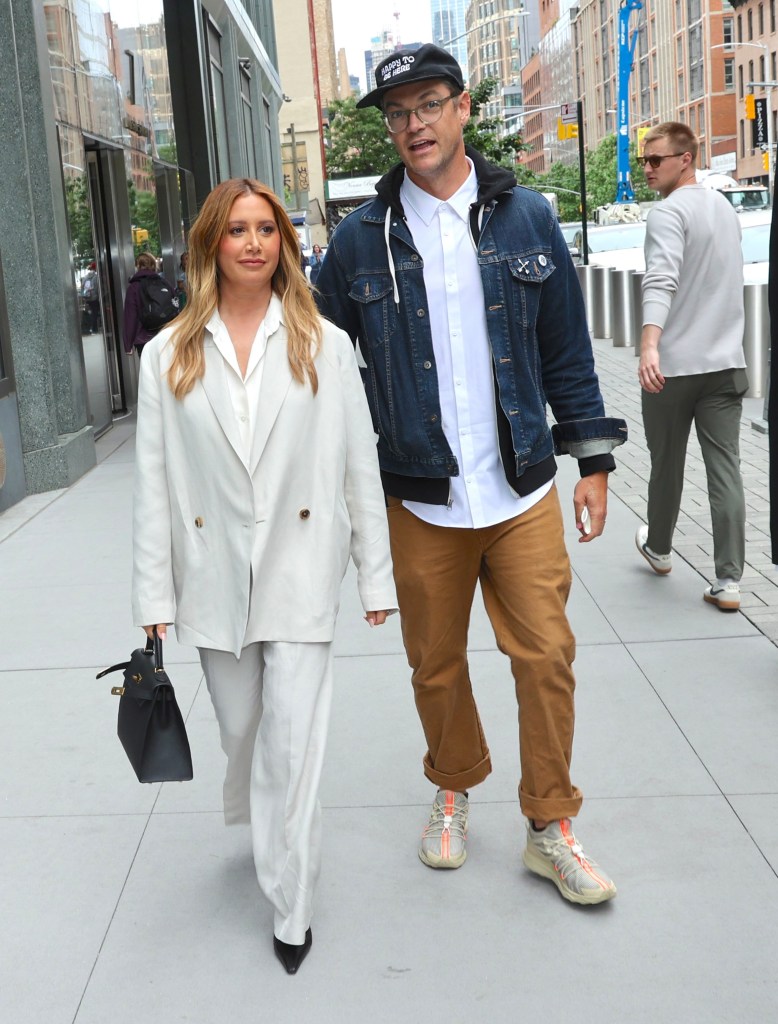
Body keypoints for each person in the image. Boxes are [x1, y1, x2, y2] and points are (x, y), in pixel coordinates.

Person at [316, 44, 626, 906]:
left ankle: (550, 823)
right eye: (397, 112)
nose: (413, 124)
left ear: (462, 109)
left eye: (428, 104)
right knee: (435, 665)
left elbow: (566, 349)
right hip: (419, 494)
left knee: (547, 655)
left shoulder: (528, 219)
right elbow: (318, 361)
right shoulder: (359, 240)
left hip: (520, 486)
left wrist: (592, 459)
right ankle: (452, 787)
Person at [132, 178, 396, 973]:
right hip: (214, 573)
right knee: (243, 727)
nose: (253, 243)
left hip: (301, 564)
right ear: (211, 244)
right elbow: (152, 485)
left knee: (293, 738)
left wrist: (374, 578)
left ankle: (292, 905)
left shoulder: (325, 342)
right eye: (238, 230)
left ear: (284, 242)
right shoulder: (167, 354)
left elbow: (358, 465)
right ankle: (259, 815)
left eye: (267, 229)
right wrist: (153, 593)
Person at [636, 122, 748, 611]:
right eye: (644, 160)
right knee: (726, 469)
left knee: (667, 463)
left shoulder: (667, 212)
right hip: (726, 364)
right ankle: (729, 581)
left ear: (686, 158)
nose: (647, 169)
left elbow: (660, 279)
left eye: (655, 160)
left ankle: (659, 548)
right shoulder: (725, 208)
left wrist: (649, 345)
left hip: (675, 367)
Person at [122, 252, 178, 358]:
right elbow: (175, 308)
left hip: (143, 339)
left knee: (148, 368)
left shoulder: (133, 288)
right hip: (166, 336)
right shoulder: (165, 283)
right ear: (154, 265)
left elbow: (130, 317)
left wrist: (128, 344)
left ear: (137, 266)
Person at [81, 262, 100, 332]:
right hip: (95, 298)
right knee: (95, 313)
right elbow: (98, 288)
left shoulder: (85, 277)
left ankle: (89, 328)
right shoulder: (96, 277)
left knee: (90, 313)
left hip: (87, 298)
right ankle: (94, 328)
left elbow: (82, 287)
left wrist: (84, 297)